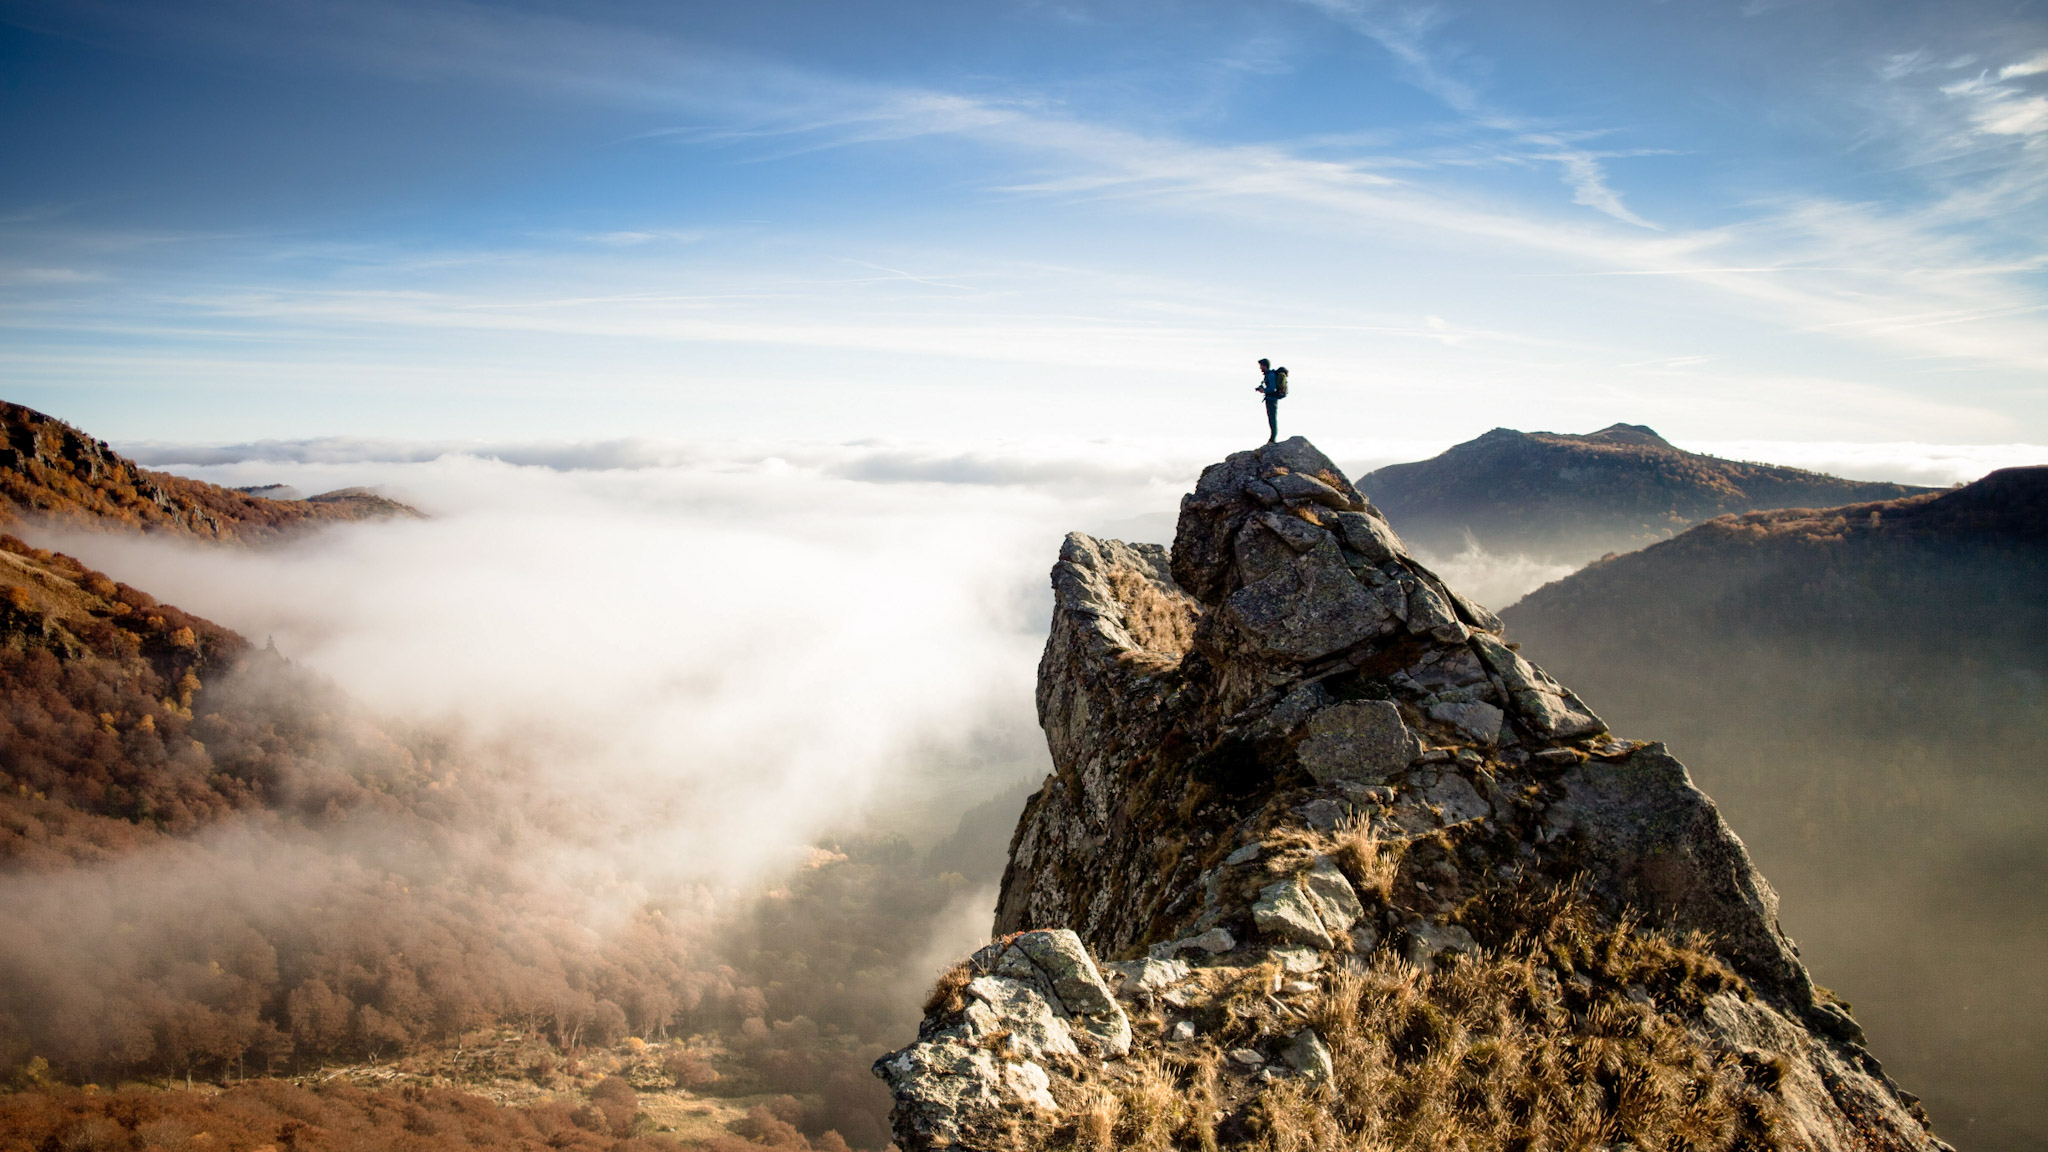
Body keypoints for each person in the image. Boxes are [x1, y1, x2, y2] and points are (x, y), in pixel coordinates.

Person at [1254, 359, 1288, 444]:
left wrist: (1264, 390)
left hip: (1271, 400)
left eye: (1261, 366)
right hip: (1271, 399)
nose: (1260, 368)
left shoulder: (1270, 375)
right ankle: (1272, 438)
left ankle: (1272, 439)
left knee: (1272, 419)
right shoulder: (1269, 375)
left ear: (1265, 366)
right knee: (1271, 418)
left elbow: (1272, 388)